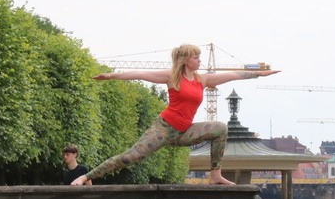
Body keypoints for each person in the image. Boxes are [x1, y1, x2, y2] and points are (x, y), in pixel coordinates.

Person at [71, 44, 279, 186]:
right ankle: (85, 177)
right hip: (163, 129)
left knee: (220, 128)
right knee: (130, 157)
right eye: (196, 57)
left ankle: (215, 174)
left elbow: (234, 75)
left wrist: (260, 74)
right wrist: (110, 76)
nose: (200, 60)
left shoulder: (202, 79)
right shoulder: (172, 76)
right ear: (186, 60)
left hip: (185, 131)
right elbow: (139, 74)